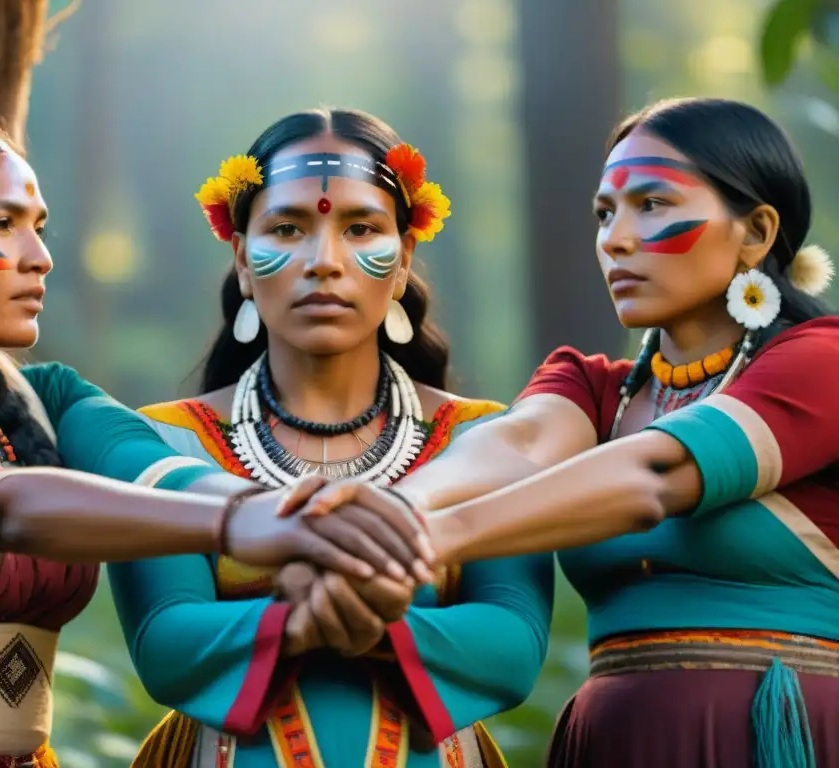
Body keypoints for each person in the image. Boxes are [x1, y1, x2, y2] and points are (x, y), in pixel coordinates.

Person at [0, 115, 428, 768]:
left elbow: (154, 470)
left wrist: (289, 514)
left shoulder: (44, 399)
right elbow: (8, 509)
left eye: (39, 227)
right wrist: (238, 523)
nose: (40, 256)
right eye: (1, 225)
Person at [304, 97, 839, 766]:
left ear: (756, 232)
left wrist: (418, 538)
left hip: (778, 736)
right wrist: (390, 506)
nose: (614, 238)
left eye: (653, 204)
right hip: (613, 742)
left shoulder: (823, 361)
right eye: (605, 213)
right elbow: (516, 445)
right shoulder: (595, 389)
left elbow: (654, 477)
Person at [104, 108, 553, 768]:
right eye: (287, 229)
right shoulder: (165, 444)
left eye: (360, 229)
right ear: (243, 262)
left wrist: (309, 609)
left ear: (402, 262)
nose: (324, 261)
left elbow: (515, 641)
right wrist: (348, 610)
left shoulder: (482, 438)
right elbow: (165, 642)